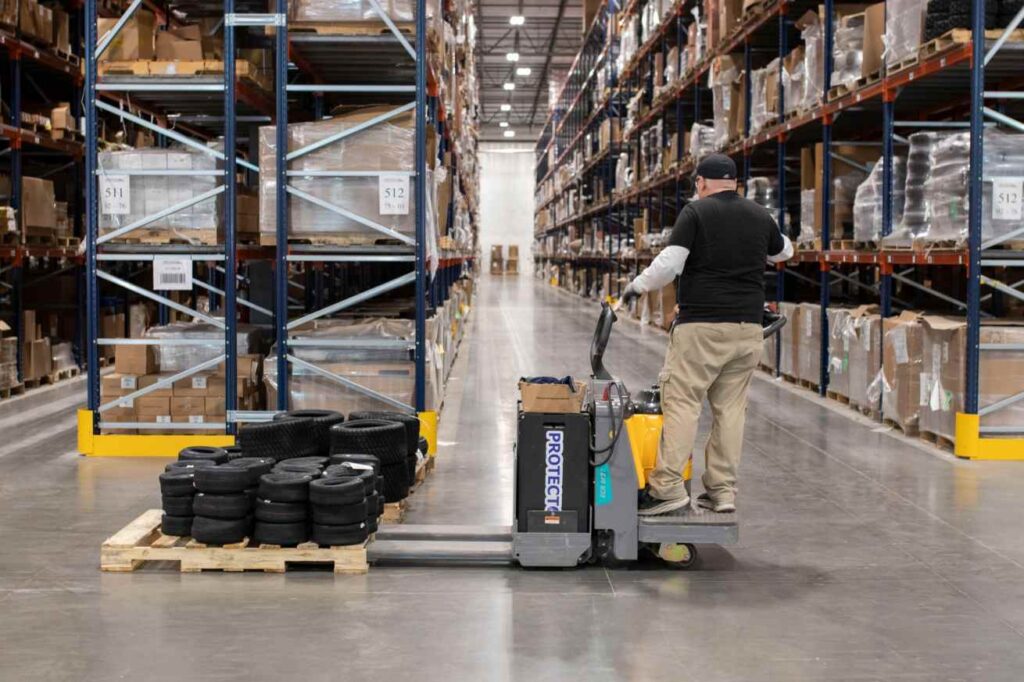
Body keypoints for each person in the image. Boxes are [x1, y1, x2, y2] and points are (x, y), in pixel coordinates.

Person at [620, 154, 793, 515]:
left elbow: (669, 264)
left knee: (683, 403)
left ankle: (667, 488)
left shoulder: (695, 213)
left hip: (701, 328)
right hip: (747, 331)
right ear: (735, 182)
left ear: (700, 182)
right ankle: (722, 491)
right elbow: (784, 252)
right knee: (731, 410)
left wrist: (634, 289)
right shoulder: (760, 215)